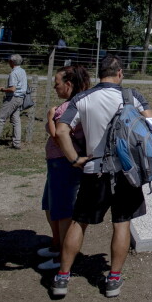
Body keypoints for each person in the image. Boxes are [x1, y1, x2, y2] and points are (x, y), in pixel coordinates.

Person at [51, 54, 152, 298]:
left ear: (100, 74)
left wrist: (73, 158)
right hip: (127, 172)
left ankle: (62, 277)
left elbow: (61, 129)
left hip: (94, 170)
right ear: (120, 74)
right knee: (121, 223)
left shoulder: (83, 98)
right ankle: (113, 279)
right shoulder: (132, 97)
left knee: (79, 222)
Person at [37, 65, 91, 270]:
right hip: (58, 164)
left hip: (64, 164)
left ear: (69, 85)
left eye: (57, 84)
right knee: (51, 206)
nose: (55, 87)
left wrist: (51, 118)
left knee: (62, 210)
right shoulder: (74, 105)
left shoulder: (68, 108)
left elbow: (58, 135)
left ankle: (62, 256)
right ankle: (56, 244)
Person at [0, 54, 28, 150]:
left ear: (11, 62)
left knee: (0, 119)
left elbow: (12, 89)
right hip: (20, 99)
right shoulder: (23, 71)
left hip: (12, 98)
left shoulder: (13, 73)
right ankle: (17, 143)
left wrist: (2, 89)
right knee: (16, 120)